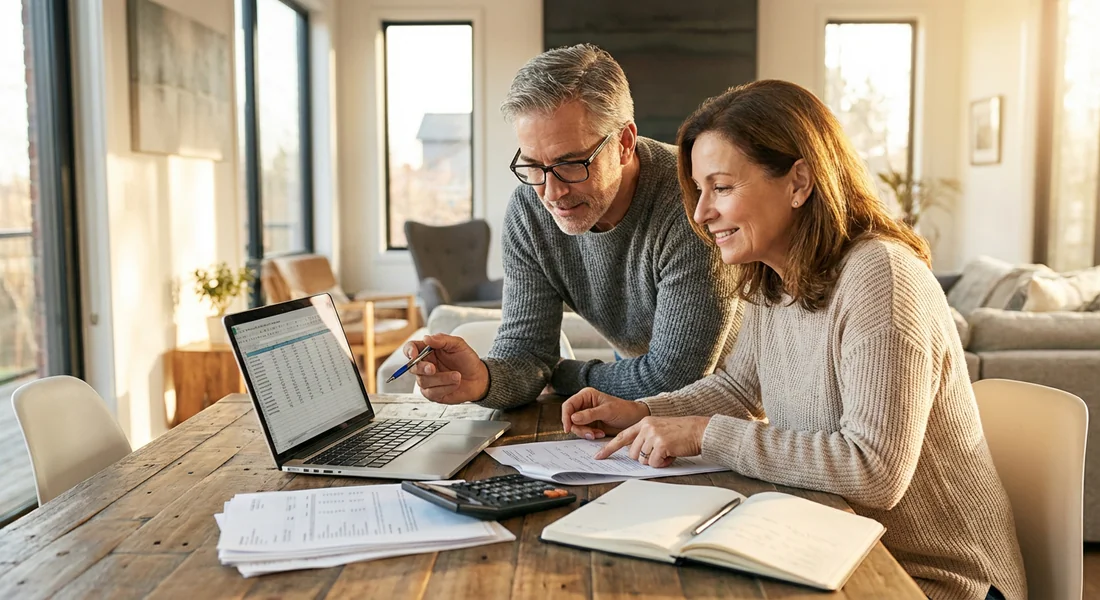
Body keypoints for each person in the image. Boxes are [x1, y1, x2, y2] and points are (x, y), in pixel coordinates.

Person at [560, 80, 1026, 600]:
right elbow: (739, 389)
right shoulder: (774, 276)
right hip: (832, 551)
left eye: (722, 187)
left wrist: (704, 434)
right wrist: (641, 410)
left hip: (934, 581)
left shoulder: (881, 278)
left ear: (799, 181)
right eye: (699, 189)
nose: (700, 213)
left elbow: (875, 472)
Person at [403, 44, 741, 409]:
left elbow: (674, 377)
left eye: (570, 164)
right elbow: (526, 353)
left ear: (624, 143)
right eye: (533, 165)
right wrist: (482, 379)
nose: (552, 193)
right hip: (630, 379)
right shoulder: (530, 211)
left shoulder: (692, 200)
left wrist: (562, 375)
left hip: (727, 395)